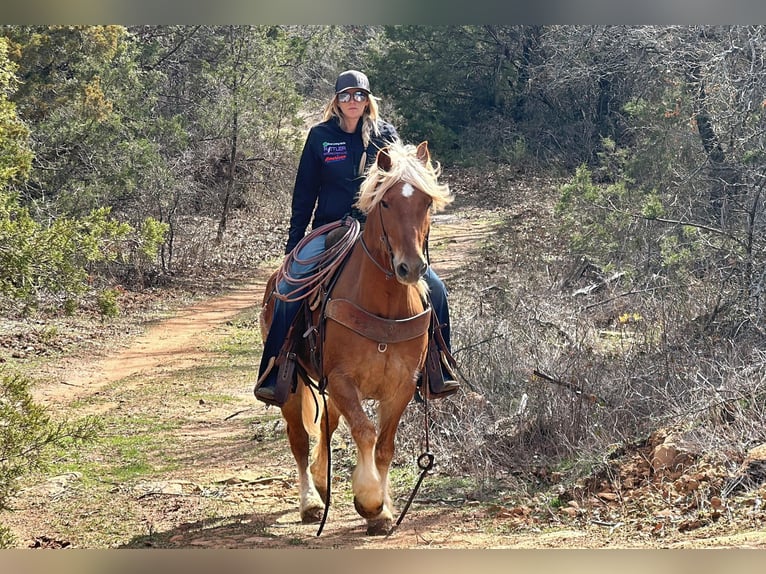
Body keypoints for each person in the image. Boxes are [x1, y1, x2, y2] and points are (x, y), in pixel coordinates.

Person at [254, 70, 459, 407]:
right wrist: (293, 246)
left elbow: (406, 184)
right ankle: (276, 368)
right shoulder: (320, 137)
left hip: (378, 230)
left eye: (359, 95)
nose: (353, 101)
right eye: (346, 95)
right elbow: (304, 193)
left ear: (368, 100)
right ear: (336, 100)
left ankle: (438, 368)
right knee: (289, 289)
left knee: (436, 289)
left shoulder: (385, 134)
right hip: (330, 228)